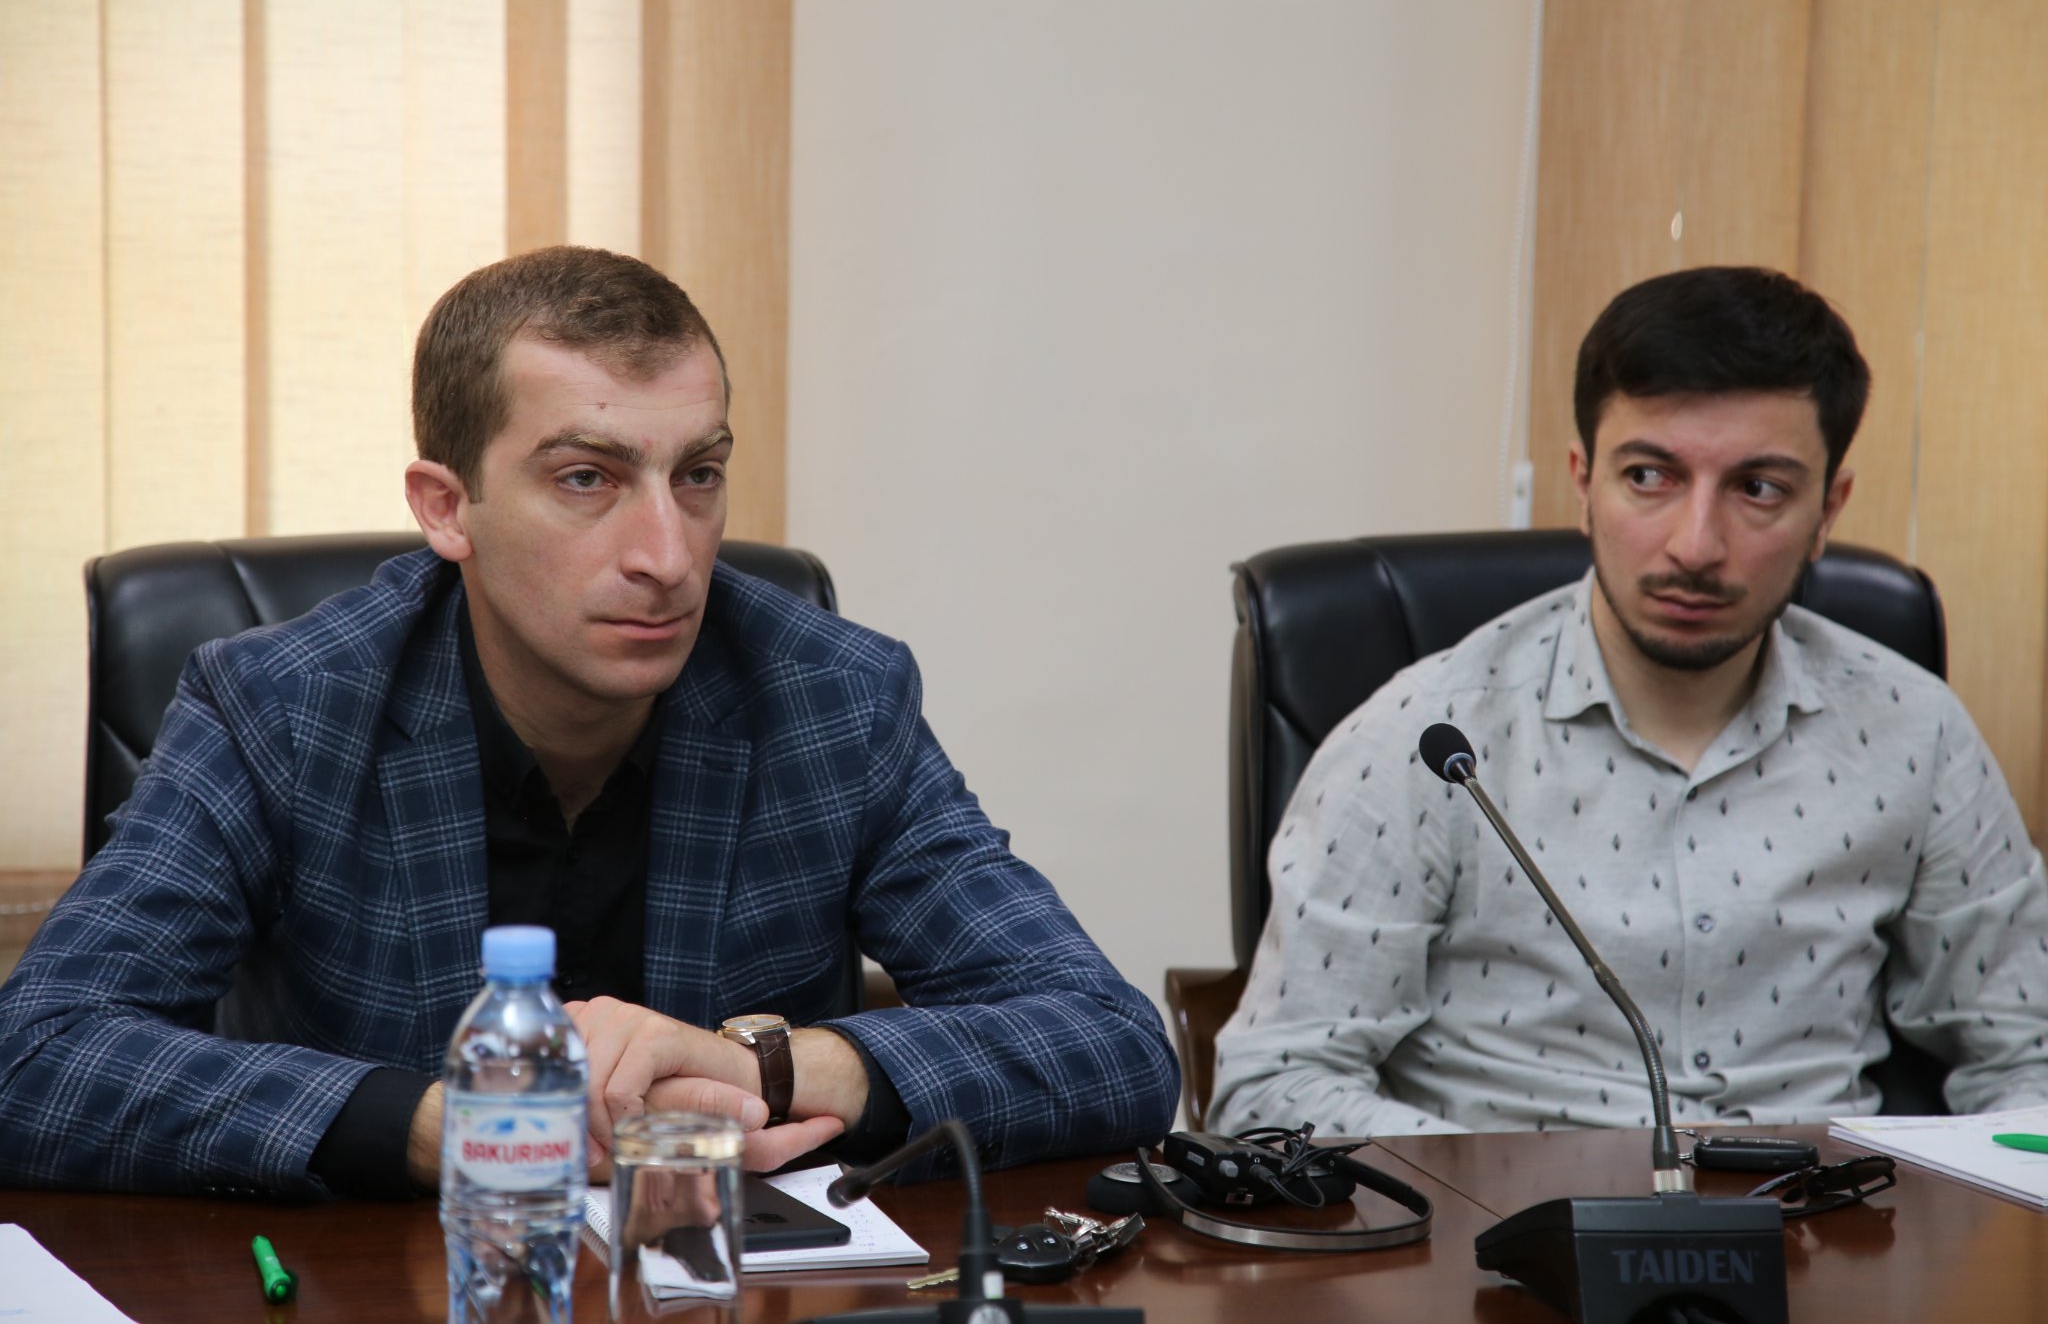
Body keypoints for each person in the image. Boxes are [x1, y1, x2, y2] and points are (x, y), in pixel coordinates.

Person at [0, 246, 1177, 1198]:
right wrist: (450, 1129)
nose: (667, 555)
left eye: (696, 474)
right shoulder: (280, 708)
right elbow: (35, 1055)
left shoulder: (831, 698)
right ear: (447, 508)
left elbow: (1111, 1042)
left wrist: (763, 1068)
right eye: (586, 478)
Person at [1212, 265, 2048, 1138]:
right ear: (1583, 482)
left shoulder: (1916, 732)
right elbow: (1274, 1086)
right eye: (1649, 476)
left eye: (1759, 488)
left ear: (1828, 509)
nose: (1696, 545)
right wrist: (1506, 1190)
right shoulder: (1428, 738)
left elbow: (2025, 1056)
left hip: (1831, 1211)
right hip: (1511, 1215)